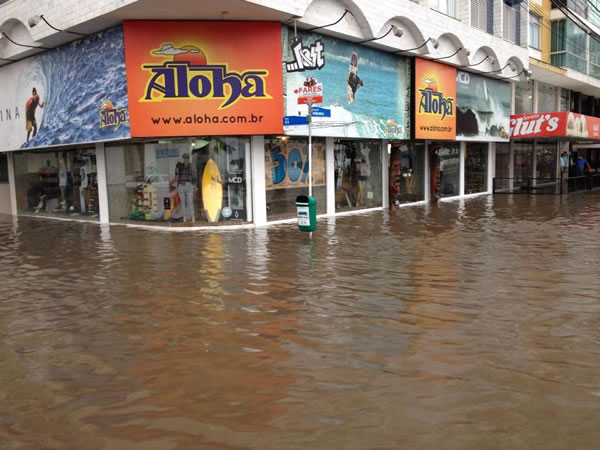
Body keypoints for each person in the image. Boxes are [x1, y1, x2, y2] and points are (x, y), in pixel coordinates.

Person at [174, 152, 197, 222]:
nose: (185, 159)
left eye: (186, 158)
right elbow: (177, 174)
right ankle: (185, 217)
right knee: (183, 201)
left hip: (189, 184)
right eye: (184, 158)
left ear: (188, 159)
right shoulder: (181, 166)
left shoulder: (191, 166)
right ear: (183, 159)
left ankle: (192, 216)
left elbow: (194, 176)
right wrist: (176, 166)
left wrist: (194, 185)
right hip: (181, 184)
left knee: (190, 201)